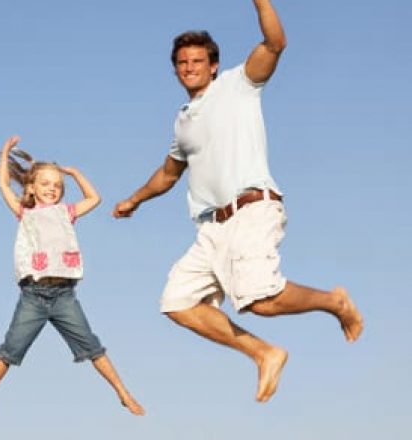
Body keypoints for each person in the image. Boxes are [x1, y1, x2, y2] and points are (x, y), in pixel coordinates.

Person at [112, 0, 364, 403]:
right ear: (175, 69)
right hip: (211, 227)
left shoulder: (238, 85)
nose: (190, 67)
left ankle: (335, 301)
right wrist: (135, 199)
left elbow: (275, 42)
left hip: (252, 206)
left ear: (213, 65)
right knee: (177, 302)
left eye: (197, 60)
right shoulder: (183, 121)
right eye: (182, 62)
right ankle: (264, 353)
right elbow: (169, 173)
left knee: (259, 301)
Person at [0, 136, 145, 425]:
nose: (52, 189)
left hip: (64, 296)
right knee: (10, 349)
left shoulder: (66, 213)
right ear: (31, 188)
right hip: (33, 295)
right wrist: (6, 153)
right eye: (46, 184)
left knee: (92, 345)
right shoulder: (25, 213)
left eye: (58, 185)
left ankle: (123, 391)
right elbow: (2, 186)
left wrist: (75, 174)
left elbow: (94, 199)